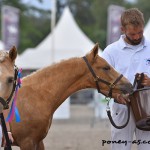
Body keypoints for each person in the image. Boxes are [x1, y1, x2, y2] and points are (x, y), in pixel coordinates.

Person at [101, 8, 150, 150]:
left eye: (140, 32)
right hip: (122, 108)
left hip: (148, 107)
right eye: (132, 34)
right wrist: (115, 95)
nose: (136, 37)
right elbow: (100, 83)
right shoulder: (111, 51)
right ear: (122, 29)